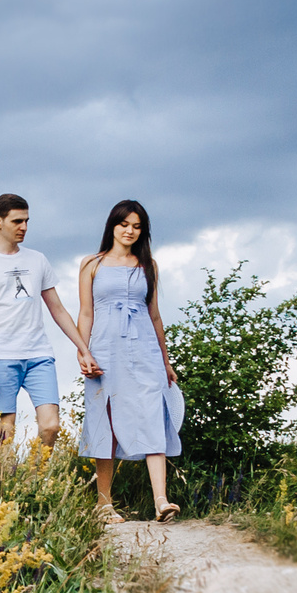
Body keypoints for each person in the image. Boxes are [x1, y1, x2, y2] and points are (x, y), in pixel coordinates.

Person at [0, 194, 100, 455]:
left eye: (26, 221)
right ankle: (3, 488)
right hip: (1, 356)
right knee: (6, 431)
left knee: (51, 426)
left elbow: (57, 309)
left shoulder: (38, 260)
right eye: (17, 221)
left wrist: (84, 349)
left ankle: (33, 484)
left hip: (39, 355)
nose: (23, 227)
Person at [77, 198, 181, 522]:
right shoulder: (91, 264)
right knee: (104, 418)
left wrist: (165, 361)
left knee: (152, 413)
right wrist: (83, 351)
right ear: (113, 226)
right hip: (105, 351)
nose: (130, 231)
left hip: (144, 351)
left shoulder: (148, 266)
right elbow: (85, 312)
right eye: (125, 224)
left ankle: (161, 501)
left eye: (137, 226)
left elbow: (155, 316)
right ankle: (103, 504)